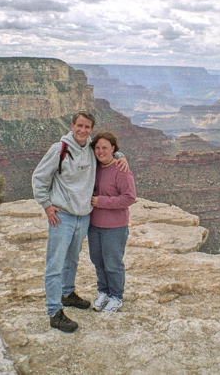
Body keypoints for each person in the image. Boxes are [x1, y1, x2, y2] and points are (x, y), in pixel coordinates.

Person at [32, 112, 129, 333]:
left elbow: (106, 152)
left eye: (87, 127)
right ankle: (54, 311)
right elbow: (39, 178)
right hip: (62, 216)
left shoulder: (90, 150)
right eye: (80, 126)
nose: (83, 130)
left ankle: (67, 294)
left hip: (84, 216)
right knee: (55, 264)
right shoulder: (60, 149)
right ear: (72, 126)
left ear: (91, 129)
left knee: (72, 259)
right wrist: (46, 205)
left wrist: (121, 155)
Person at [88, 131, 136, 313]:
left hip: (115, 227)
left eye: (105, 148)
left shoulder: (121, 170)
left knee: (113, 263)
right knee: (98, 261)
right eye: (98, 147)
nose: (101, 151)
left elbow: (129, 197)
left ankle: (116, 296)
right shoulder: (94, 167)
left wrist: (101, 201)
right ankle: (104, 292)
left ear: (113, 149)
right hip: (94, 225)